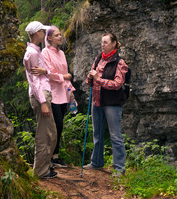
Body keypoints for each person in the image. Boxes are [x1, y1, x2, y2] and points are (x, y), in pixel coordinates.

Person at [84, 32, 128, 177]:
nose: (102, 45)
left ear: (114, 44)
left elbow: (117, 84)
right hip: (96, 102)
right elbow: (90, 80)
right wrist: (90, 78)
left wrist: (98, 79)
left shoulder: (120, 62)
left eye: (106, 42)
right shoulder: (98, 59)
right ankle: (96, 162)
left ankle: (119, 168)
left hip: (112, 103)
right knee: (97, 133)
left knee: (115, 135)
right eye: (102, 42)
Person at [32, 25, 74, 167]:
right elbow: (48, 73)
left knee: (60, 126)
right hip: (53, 92)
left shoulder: (61, 53)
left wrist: (71, 92)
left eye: (60, 35)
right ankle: (48, 157)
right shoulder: (45, 52)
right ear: (48, 38)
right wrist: (64, 76)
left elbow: (65, 74)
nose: (60, 37)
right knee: (55, 125)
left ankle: (55, 157)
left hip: (63, 92)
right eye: (57, 35)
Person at [23, 21, 57, 179]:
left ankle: (45, 167)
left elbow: (45, 72)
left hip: (43, 93)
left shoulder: (36, 51)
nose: (45, 33)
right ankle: (40, 172)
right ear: (37, 33)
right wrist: (43, 103)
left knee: (51, 133)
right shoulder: (32, 53)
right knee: (44, 135)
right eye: (43, 31)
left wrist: (46, 71)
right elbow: (34, 82)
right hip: (40, 96)